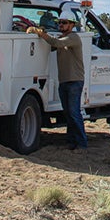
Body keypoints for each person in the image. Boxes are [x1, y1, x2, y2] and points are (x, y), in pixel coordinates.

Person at [30, 13, 88, 150]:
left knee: (74, 112)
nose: (61, 24)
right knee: (68, 113)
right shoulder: (63, 37)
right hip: (65, 81)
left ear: (72, 25)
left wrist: (42, 34)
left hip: (74, 81)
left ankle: (81, 143)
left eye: (64, 22)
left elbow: (56, 43)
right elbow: (53, 44)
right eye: (60, 22)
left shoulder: (73, 38)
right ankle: (72, 142)